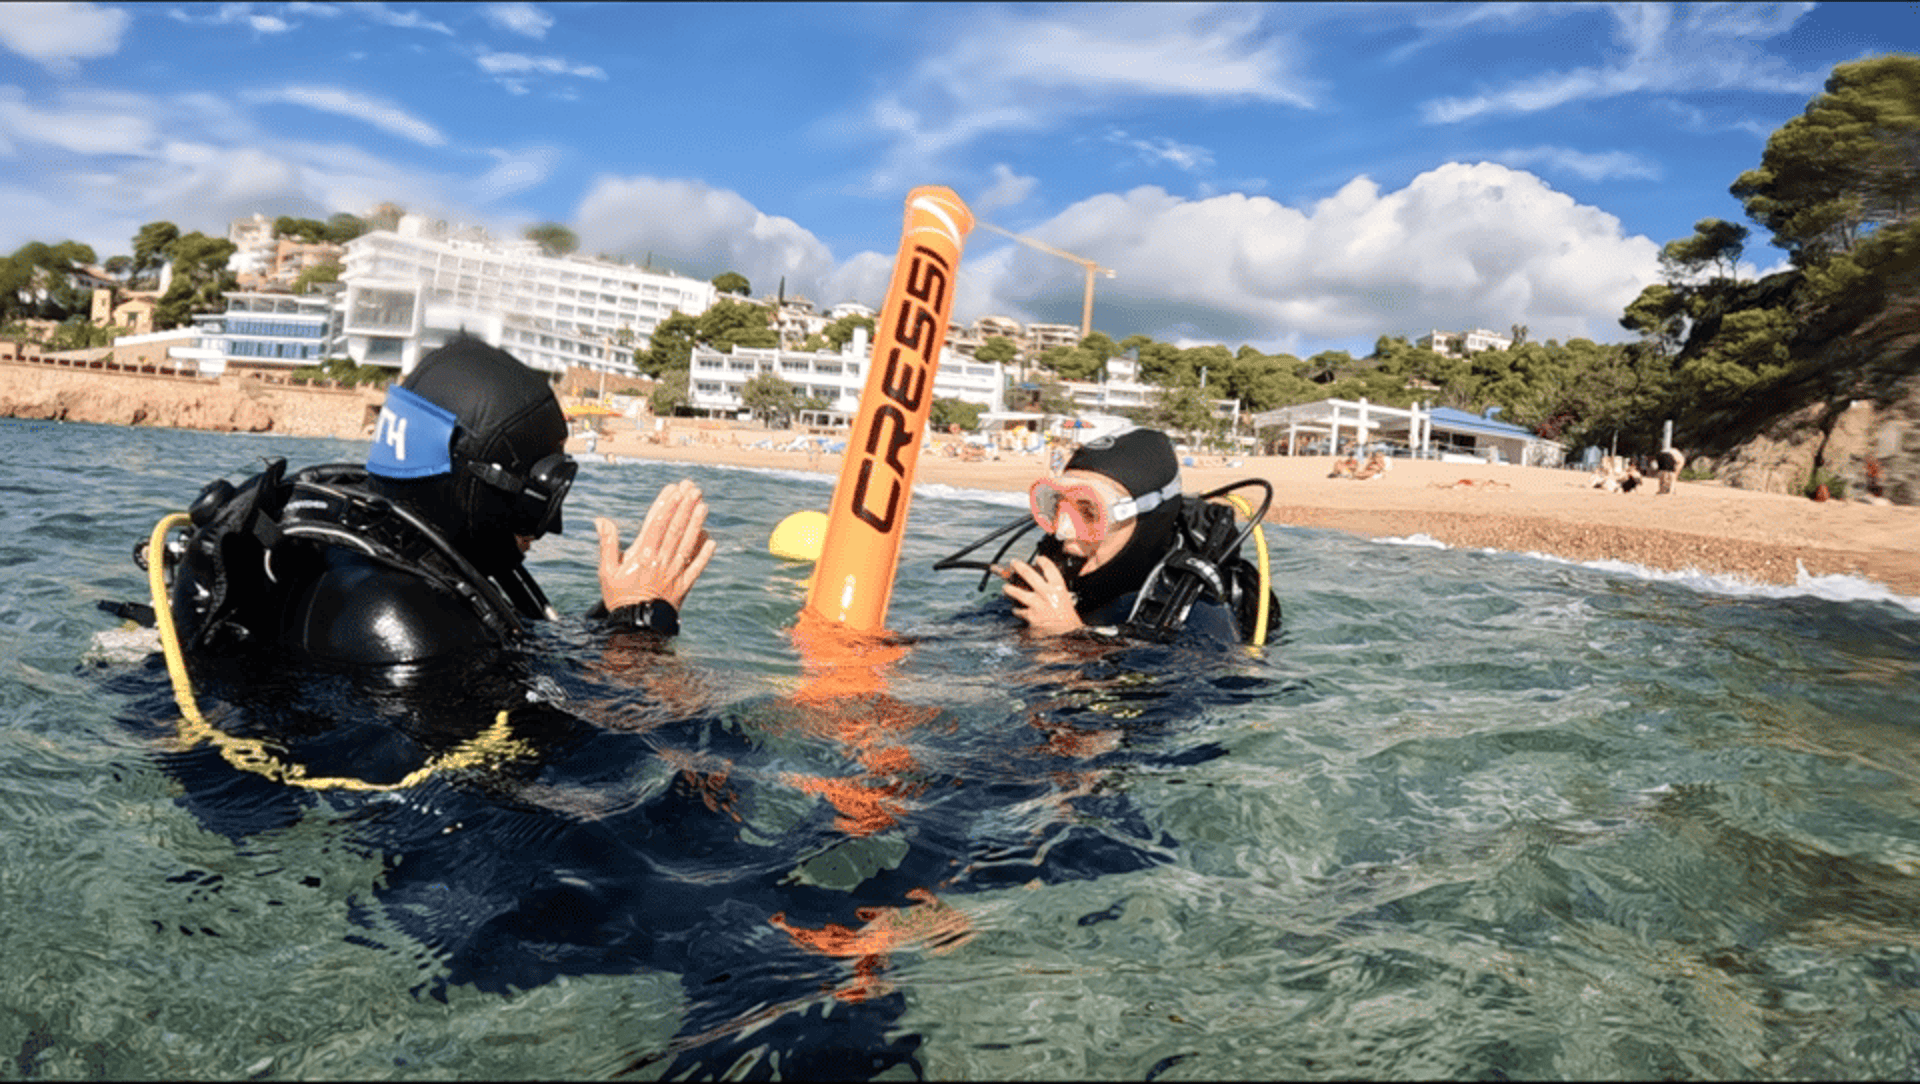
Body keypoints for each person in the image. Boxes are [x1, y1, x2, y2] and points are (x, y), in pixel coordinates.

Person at [161, 336, 714, 676]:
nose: (549, 527)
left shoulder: (378, 548)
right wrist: (642, 635)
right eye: (539, 497)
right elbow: (548, 785)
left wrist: (623, 611)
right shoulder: (404, 625)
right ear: (477, 483)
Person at [939, 426, 1279, 647]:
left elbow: (1163, 721)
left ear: (1145, 521)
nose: (1063, 532)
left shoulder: (1202, 617)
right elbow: (969, 633)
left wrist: (1067, 641)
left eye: (1089, 513)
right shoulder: (1065, 572)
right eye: (1057, 506)